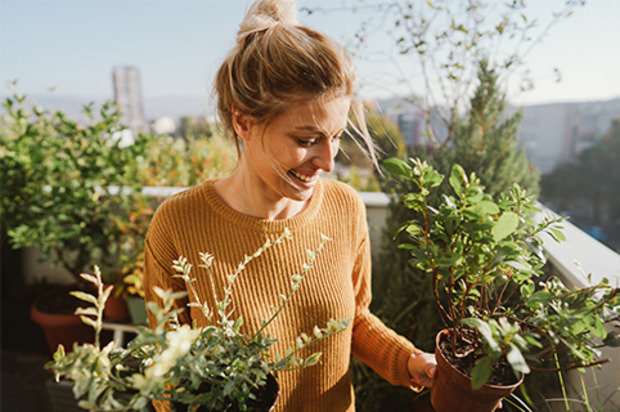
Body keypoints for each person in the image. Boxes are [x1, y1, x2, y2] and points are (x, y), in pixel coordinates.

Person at [144, 0, 437, 410]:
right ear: (243, 121)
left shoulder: (346, 208)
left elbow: (351, 320)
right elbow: (167, 370)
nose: (328, 161)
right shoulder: (177, 224)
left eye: (335, 136)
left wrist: (410, 361)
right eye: (305, 140)